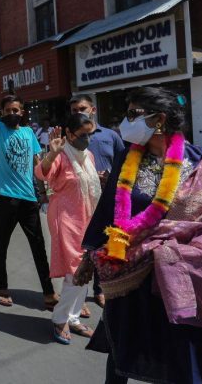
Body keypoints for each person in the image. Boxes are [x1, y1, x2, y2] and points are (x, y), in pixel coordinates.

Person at [75, 87, 202, 384]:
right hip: (131, 276)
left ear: (159, 120)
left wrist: (192, 245)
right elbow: (108, 209)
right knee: (123, 351)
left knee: (184, 356)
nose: (126, 121)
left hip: (181, 278)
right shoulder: (127, 159)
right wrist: (89, 256)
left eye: (133, 114)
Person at [0, 44, 57, 309]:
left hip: (29, 198)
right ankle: (2, 288)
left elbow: (37, 166)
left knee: (39, 247)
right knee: (2, 245)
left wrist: (51, 162)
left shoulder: (29, 134)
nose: (12, 113)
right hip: (7, 199)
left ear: (23, 112)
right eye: (8, 110)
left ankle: (48, 291)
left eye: (16, 110)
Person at [36, 114, 100, 345]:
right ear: (70, 134)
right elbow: (42, 173)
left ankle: (72, 317)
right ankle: (60, 318)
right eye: (83, 135)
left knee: (86, 269)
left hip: (88, 217)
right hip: (65, 218)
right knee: (76, 270)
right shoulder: (61, 155)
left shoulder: (89, 155)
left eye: (90, 134)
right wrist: (52, 152)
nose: (88, 139)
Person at [69, 94, 125, 308]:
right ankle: (77, 292)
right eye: (74, 110)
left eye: (82, 108)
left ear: (92, 109)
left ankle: (101, 288)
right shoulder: (70, 138)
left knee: (108, 244)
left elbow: (124, 163)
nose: (79, 112)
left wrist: (111, 177)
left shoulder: (111, 136)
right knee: (83, 246)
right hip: (81, 200)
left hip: (109, 198)